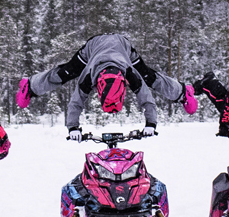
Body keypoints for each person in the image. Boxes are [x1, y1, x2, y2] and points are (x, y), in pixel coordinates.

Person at [17, 34, 196, 139]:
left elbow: (145, 96)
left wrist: (151, 122)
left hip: (122, 47)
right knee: (66, 73)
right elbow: (76, 101)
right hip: (92, 49)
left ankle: (183, 93)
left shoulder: (129, 72)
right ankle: (30, 86)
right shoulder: (89, 74)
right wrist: (72, 126)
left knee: (147, 76)